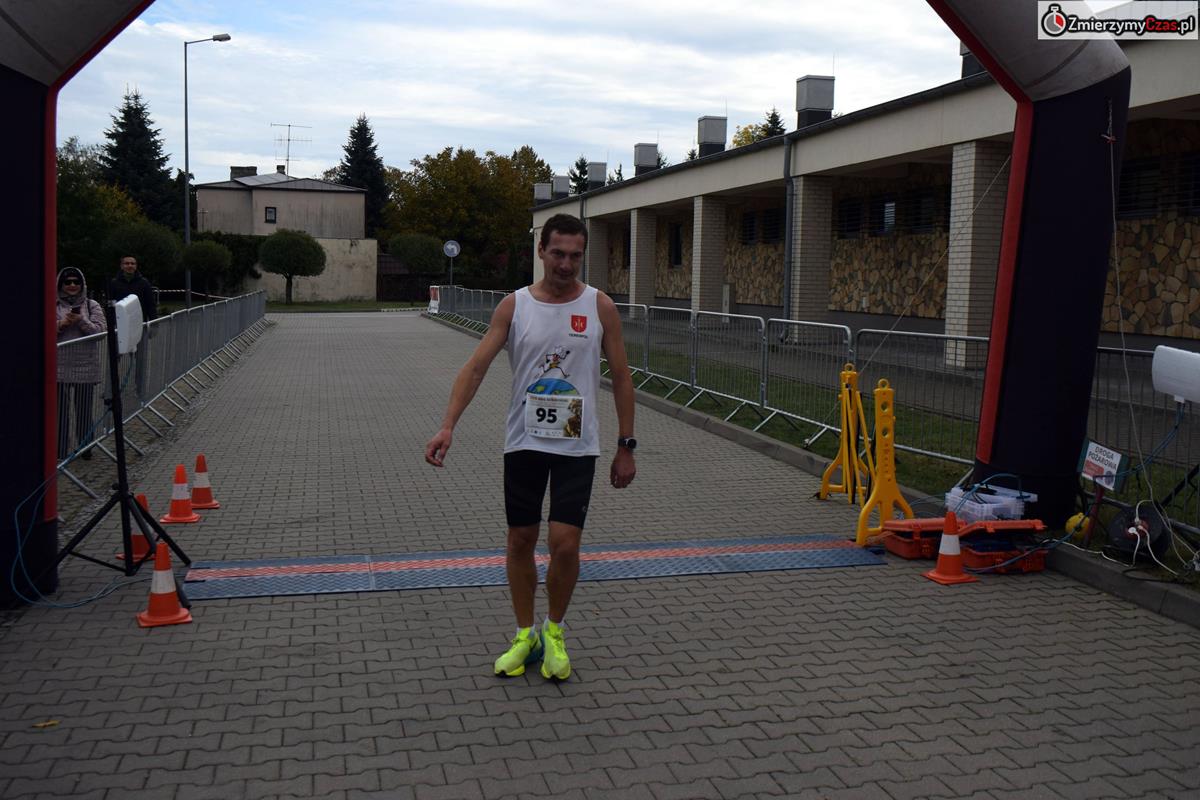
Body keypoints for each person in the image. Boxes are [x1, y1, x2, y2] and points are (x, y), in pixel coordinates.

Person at [425, 213, 637, 681]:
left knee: (565, 544)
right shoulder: (514, 306)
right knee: (520, 539)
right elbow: (476, 367)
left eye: (575, 256)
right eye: (557, 253)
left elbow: (622, 377)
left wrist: (626, 445)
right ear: (540, 251)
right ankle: (525, 634)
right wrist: (447, 426)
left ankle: (554, 631)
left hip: (577, 445)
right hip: (524, 443)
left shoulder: (599, 306)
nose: (565, 264)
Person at [56, 267, 106, 461]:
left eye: (76, 282)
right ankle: (60, 449)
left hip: (85, 366)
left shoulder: (92, 305)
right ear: (60, 284)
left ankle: (86, 446)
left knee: (84, 410)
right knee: (60, 412)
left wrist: (80, 320)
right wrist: (61, 325)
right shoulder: (52, 304)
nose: (72, 285)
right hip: (58, 367)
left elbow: (100, 333)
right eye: (67, 282)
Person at [107, 255, 156, 399]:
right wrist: (110, 325)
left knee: (141, 362)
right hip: (119, 329)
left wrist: (154, 324)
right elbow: (110, 305)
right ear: (121, 266)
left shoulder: (144, 283)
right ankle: (109, 390)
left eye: (133, 263)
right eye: (127, 263)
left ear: (136, 266)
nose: (130, 266)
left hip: (139, 328)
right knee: (113, 360)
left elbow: (150, 304)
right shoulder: (114, 283)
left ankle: (141, 390)